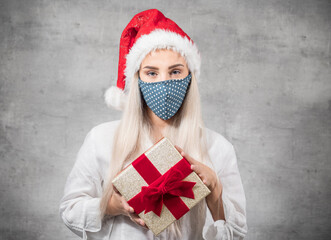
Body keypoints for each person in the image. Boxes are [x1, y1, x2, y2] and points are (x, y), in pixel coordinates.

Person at [59, 9, 247, 240]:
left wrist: (214, 189)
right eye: (151, 73)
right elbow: (70, 210)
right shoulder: (101, 138)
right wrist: (112, 206)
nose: (164, 83)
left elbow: (236, 235)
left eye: (175, 71)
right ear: (138, 78)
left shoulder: (219, 148)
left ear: (190, 77)